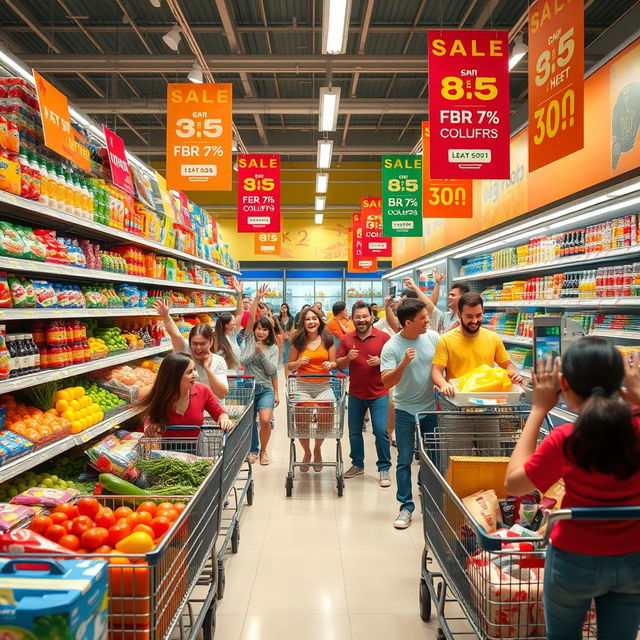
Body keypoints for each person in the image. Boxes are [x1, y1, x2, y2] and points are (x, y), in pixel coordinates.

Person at [505, 338, 640, 640]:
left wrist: (538, 408)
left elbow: (513, 483)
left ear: (563, 384)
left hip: (574, 560)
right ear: (622, 382)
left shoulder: (566, 438)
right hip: (634, 555)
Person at [380, 299, 439, 529]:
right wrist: (403, 364)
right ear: (408, 322)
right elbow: (386, 382)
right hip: (404, 409)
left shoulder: (433, 338)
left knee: (432, 460)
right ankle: (406, 506)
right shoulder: (392, 346)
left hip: (430, 410)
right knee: (404, 459)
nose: (427, 321)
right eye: (423, 318)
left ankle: (428, 496)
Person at [337, 301, 391, 487]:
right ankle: (357, 464)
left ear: (372, 317)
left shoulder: (383, 338)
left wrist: (381, 361)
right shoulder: (346, 339)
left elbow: (394, 362)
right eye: (358, 317)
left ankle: (384, 468)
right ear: (352, 319)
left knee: (381, 431)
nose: (361, 320)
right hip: (356, 393)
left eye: (364, 316)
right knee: (354, 432)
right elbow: (340, 365)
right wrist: (347, 358)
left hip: (379, 393)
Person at [431, 291, 523, 396]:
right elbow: (436, 371)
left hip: (487, 398)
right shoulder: (445, 340)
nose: (475, 321)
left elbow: (507, 365)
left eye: (478, 315)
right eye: (469, 316)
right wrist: (444, 385)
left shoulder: (493, 337)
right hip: (459, 399)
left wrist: (514, 374)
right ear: (459, 315)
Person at [286, 306, 337, 472]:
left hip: (324, 386)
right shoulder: (298, 340)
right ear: (303, 322)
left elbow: (334, 362)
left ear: (319, 321)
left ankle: (317, 448)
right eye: (307, 319)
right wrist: (298, 363)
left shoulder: (327, 339)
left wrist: (330, 364)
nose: (311, 321)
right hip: (302, 386)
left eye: (314, 318)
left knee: (327, 414)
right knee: (301, 416)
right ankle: (307, 452)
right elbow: (289, 365)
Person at [137, 352, 233, 438]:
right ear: (175, 377)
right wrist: (150, 427)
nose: (195, 375)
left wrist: (225, 419)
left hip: (195, 451)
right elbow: (150, 418)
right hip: (165, 453)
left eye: (194, 370)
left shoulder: (202, 391)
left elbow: (220, 413)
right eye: (189, 372)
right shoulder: (162, 395)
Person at [152, 299, 229, 399]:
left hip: (212, 412)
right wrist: (166, 315)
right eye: (194, 343)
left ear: (211, 341)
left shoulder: (219, 361)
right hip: (189, 409)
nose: (198, 348)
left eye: (202, 344)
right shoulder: (186, 353)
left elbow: (221, 394)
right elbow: (176, 336)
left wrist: (208, 369)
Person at [241, 287, 279, 466]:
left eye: (265, 330)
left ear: (269, 332)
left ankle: (264, 451)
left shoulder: (273, 348)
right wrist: (256, 298)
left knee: (264, 420)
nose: (261, 332)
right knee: (249, 422)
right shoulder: (248, 339)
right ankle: (253, 450)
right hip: (248, 387)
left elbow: (272, 370)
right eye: (258, 329)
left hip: (265, 389)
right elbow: (243, 360)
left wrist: (262, 354)